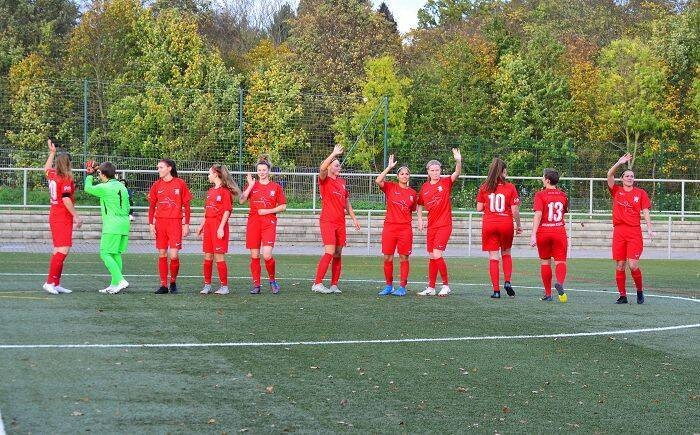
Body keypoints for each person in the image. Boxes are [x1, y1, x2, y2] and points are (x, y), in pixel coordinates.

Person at [311, 145, 361, 294]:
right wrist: (333, 153)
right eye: (336, 165)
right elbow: (321, 168)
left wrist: (354, 218)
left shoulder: (342, 182)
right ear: (330, 167)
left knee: (338, 253)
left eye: (339, 165)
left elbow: (347, 203)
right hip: (327, 221)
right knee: (330, 251)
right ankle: (317, 283)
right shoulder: (324, 180)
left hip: (340, 222)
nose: (339, 167)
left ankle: (334, 284)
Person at [607, 153, 655, 304]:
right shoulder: (616, 190)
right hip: (619, 232)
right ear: (622, 179)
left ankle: (640, 292)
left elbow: (646, 211)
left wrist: (649, 228)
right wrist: (619, 162)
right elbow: (609, 174)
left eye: (631, 176)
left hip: (634, 232)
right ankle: (623, 296)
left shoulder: (640, 193)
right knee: (620, 264)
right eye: (627, 175)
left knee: (632, 265)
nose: (629, 178)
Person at [416, 148, 462, 297]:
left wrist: (458, 160)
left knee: (437, 254)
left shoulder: (446, 182)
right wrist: (420, 219)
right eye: (433, 170)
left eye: (438, 170)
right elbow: (419, 204)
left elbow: (457, 173)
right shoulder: (424, 187)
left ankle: (446, 285)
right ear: (428, 172)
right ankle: (431, 287)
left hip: (444, 225)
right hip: (432, 226)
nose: (436, 172)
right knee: (431, 256)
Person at [239, 156, 287, 294]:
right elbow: (241, 201)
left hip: (269, 223)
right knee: (254, 256)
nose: (261, 172)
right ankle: (256, 285)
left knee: (266, 255)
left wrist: (268, 211)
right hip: (253, 223)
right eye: (259, 170)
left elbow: (283, 206)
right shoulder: (252, 186)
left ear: (269, 171)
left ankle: (272, 280)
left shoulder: (275, 187)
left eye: (264, 170)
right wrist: (250, 186)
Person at [476, 157, 522, 298]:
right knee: (506, 253)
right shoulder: (510, 187)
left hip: (489, 224)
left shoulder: (484, 187)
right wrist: (518, 225)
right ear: (503, 171)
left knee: (493, 257)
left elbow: (479, 208)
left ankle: (496, 291)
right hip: (505, 223)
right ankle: (507, 281)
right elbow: (515, 210)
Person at [42, 138, 83, 295]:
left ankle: (55, 282)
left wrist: (52, 153)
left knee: (59, 249)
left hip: (55, 215)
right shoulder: (65, 178)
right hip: (61, 217)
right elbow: (66, 199)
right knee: (63, 249)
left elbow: (45, 168)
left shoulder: (53, 174)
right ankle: (49, 282)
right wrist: (77, 216)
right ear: (68, 164)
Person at [84, 161, 131, 294]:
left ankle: (121, 280)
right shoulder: (122, 187)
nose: (98, 176)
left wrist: (89, 175)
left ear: (103, 174)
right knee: (115, 253)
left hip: (112, 224)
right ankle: (114, 283)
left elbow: (88, 188)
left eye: (99, 173)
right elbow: (128, 206)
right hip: (124, 223)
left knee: (104, 253)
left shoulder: (105, 187)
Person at [148, 159, 192, 294]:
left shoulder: (180, 183)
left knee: (173, 256)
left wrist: (186, 224)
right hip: (160, 223)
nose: (158, 170)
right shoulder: (156, 185)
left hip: (175, 223)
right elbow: (151, 207)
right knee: (162, 253)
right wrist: (151, 224)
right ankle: (163, 285)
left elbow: (187, 206)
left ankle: (173, 281)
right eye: (158, 168)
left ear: (169, 168)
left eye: (161, 167)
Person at [375, 154, 417, 296]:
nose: (404, 176)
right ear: (397, 176)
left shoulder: (412, 193)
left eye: (407, 174)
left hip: (405, 229)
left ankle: (402, 287)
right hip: (390, 228)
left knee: (404, 257)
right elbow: (378, 180)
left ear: (408, 177)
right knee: (388, 257)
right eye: (402, 174)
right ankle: (388, 286)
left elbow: (412, 211)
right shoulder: (390, 187)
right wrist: (389, 167)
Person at [197, 164, 241, 295]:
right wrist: (201, 225)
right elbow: (207, 211)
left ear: (216, 174)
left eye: (209, 173)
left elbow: (227, 211)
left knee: (219, 256)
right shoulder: (210, 191)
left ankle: (224, 286)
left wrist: (221, 227)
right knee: (208, 255)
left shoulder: (225, 192)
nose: (208, 176)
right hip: (209, 226)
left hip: (218, 226)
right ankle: (207, 285)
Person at [529, 168, 568, 302]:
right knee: (560, 261)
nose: (541, 179)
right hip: (559, 231)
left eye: (543, 177)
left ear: (547, 180)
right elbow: (563, 212)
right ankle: (560, 283)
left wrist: (533, 234)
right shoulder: (563, 195)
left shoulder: (540, 195)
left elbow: (538, 214)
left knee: (545, 261)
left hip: (544, 231)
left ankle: (548, 294)